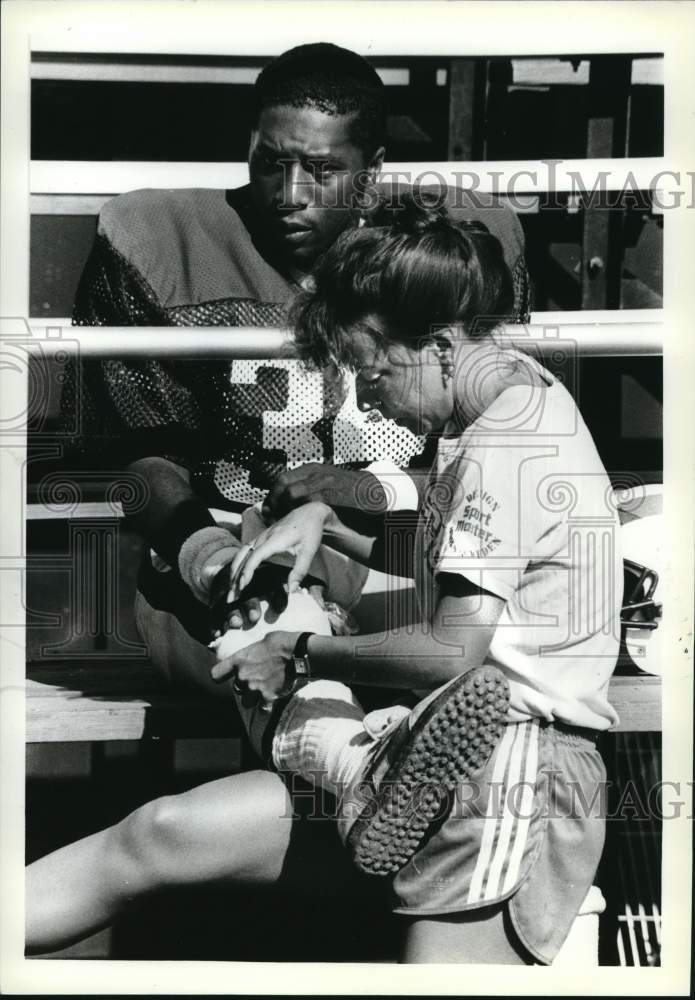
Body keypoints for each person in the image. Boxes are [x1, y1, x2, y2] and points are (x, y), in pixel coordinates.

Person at [28, 198, 620, 963]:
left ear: (438, 345)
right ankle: (361, 780)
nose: (364, 400)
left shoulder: (504, 441)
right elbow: (470, 569)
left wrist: (299, 653)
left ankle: (360, 774)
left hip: (510, 776)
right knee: (159, 835)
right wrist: (327, 521)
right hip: (422, 762)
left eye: (370, 373)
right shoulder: (498, 400)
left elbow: (451, 652)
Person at [59, 42, 530, 694]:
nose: (288, 193)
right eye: (270, 163)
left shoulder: (443, 254)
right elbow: (137, 457)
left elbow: (497, 453)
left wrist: (369, 493)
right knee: (290, 662)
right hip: (230, 544)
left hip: (401, 551)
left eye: (320, 168)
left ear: (371, 173)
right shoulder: (161, 242)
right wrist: (213, 561)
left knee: (489, 657)